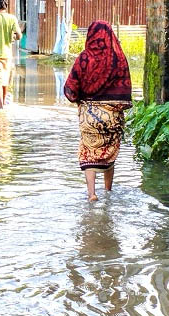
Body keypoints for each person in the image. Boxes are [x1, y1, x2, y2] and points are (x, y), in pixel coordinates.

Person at [63, 20, 132, 202]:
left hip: (89, 116)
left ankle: (92, 193)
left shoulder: (84, 58)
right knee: (110, 153)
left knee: (88, 152)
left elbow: (71, 87)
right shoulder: (119, 58)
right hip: (113, 116)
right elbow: (125, 88)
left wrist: (77, 98)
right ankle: (108, 191)